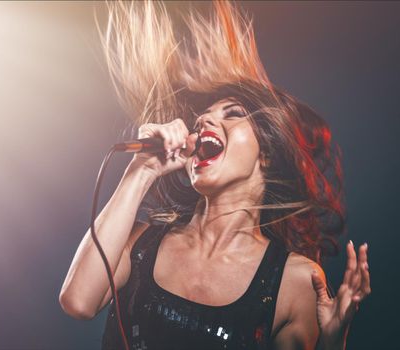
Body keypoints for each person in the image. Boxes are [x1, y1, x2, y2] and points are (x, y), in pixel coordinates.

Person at [59, 1, 371, 349]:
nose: (204, 121)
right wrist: (142, 170)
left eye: (232, 114)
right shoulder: (142, 243)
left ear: (266, 154)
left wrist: (333, 341)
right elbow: (78, 302)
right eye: (202, 118)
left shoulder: (294, 280)